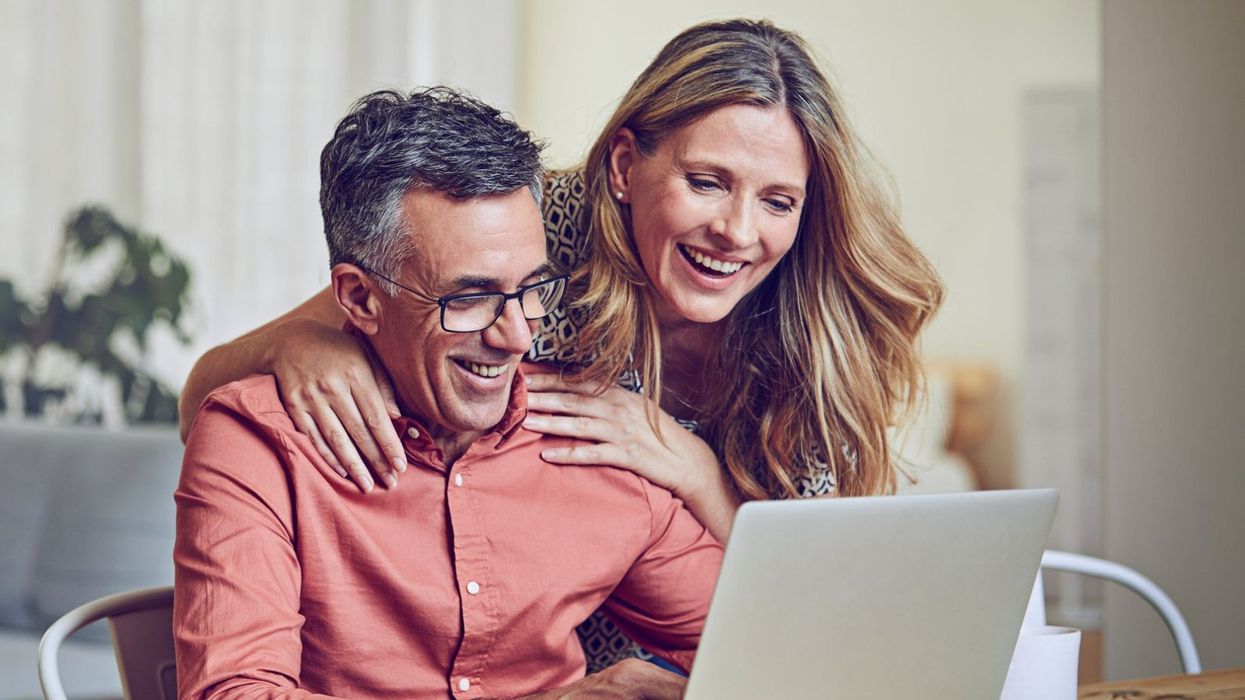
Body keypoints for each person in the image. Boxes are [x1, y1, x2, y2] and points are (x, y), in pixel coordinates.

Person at [177, 18, 943, 672]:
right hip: (549, 653)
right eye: (706, 181)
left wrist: (694, 471)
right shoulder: (523, 230)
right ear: (622, 166)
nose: (738, 232)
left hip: (707, 637)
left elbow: (821, 619)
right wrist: (306, 345)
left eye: (778, 200)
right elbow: (259, 365)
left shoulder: (819, 330)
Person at [173, 87, 722, 700]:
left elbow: (763, 644)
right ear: (359, 298)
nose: (517, 337)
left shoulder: (589, 434)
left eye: (532, 289)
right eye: (468, 298)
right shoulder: (258, 441)